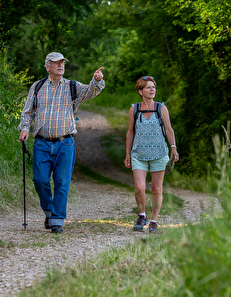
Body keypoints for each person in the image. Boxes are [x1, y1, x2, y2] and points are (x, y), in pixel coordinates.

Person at [18, 52, 105, 233]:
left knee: (61, 182)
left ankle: (57, 220)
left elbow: (91, 91)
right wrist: (25, 128)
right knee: (40, 180)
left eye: (62, 62)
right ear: (48, 66)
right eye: (56, 63)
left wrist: (96, 80)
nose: (60, 65)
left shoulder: (72, 86)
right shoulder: (37, 86)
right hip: (41, 143)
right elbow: (28, 112)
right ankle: (49, 210)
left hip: (65, 143)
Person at [124, 76, 179, 233]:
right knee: (139, 187)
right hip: (138, 154)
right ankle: (142, 215)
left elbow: (169, 129)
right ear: (140, 91)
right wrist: (127, 154)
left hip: (159, 154)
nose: (152, 89)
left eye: (153, 87)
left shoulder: (161, 108)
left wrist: (173, 148)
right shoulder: (134, 109)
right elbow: (130, 132)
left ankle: (154, 220)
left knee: (156, 189)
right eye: (148, 87)